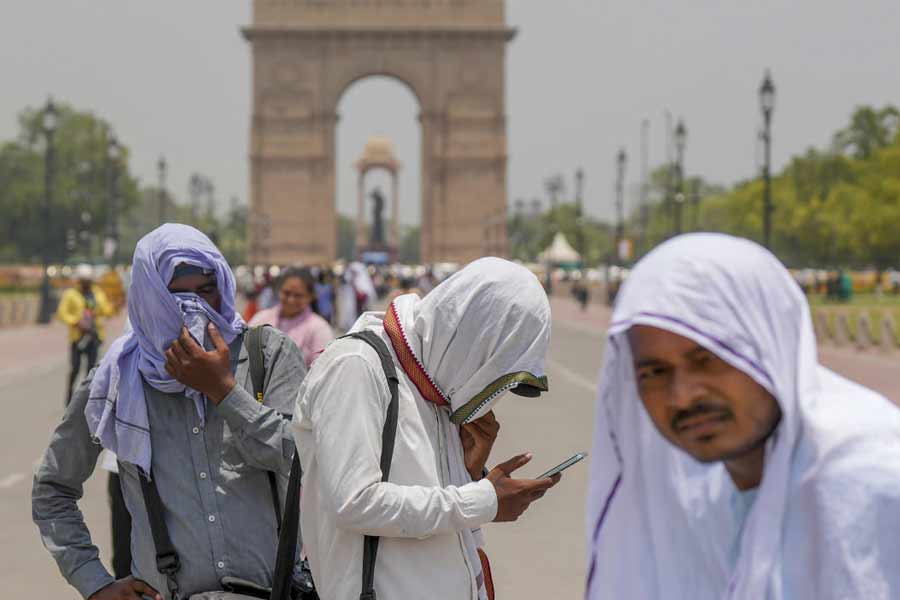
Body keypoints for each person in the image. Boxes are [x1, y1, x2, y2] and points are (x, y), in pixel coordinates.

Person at [585, 233, 900, 599]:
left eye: (708, 359)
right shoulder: (698, 494)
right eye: (654, 372)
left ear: (769, 346)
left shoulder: (872, 482)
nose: (682, 396)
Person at [33, 224, 307, 600]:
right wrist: (93, 582)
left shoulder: (266, 356)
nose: (194, 307)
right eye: (176, 296)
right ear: (149, 299)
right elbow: (53, 488)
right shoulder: (118, 379)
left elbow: (303, 461)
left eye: (205, 291)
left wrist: (223, 392)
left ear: (223, 287)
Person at [293, 257, 561, 600]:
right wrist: (482, 500)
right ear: (471, 338)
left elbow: (440, 520)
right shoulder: (356, 366)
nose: (490, 394)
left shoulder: (430, 381)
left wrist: (469, 472)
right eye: (491, 372)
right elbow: (354, 502)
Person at [249, 266, 335, 368]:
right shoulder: (261, 319)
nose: (291, 300)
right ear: (279, 291)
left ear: (310, 296)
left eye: (298, 295)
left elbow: (323, 370)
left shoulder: (319, 329)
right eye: (286, 293)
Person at [56, 264, 113, 404]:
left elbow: (106, 310)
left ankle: (87, 400)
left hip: (94, 336)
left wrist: (114, 306)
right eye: (84, 280)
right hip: (78, 337)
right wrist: (76, 322)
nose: (87, 283)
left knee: (91, 370)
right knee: (75, 368)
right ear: (79, 281)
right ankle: (69, 399)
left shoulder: (98, 293)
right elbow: (62, 313)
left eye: (89, 280)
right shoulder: (71, 294)